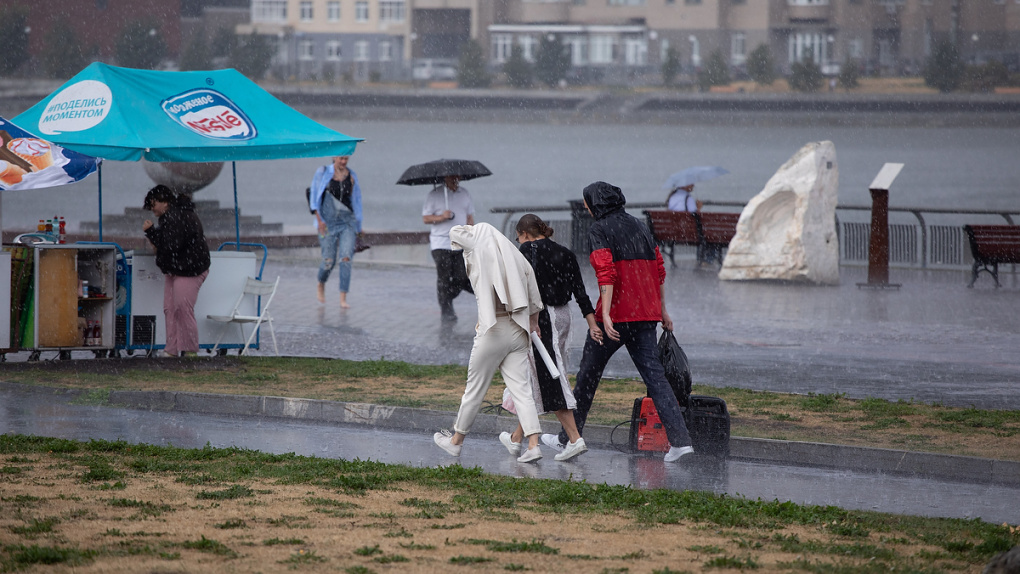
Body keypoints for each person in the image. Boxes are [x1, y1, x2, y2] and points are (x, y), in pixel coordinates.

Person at [544, 181, 694, 463]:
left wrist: (608, 315)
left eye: (587, 202)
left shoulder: (599, 229)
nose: (585, 207)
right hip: (646, 315)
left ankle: (569, 438)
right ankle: (681, 442)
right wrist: (663, 311)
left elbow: (605, 272)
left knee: (588, 377)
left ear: (596, 203)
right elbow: (658, 271)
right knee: (656, 379)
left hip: (615, 318)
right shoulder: (640, 227)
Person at [433, 222, 546, 463]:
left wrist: (472, 227)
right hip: (518, 328)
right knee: (523, 391)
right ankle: (533, 445)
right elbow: (534, 296)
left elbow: (454, 232)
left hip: (493, 330)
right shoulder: (516, 257)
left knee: (475, 389)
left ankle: (456, 442)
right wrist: (533, 322)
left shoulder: (479, 252)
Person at [499, 214, 601, 462]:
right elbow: (580, 291)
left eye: (518, 236)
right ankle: (517, 439)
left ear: (524, 233)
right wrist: (592, 323)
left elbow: (520, 289)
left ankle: (575, 439)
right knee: (536, 375)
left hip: (541, 318)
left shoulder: (526, 250)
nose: (519, 241)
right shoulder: (565, 252)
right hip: (563, 316)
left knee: (550, 377)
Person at [142, 185, 211, 358]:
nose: (152, 208)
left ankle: (189, 350)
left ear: (165, 202)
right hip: (179, 268)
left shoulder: (176, 217)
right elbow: (171, 243)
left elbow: (170, 245)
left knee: (181, 308)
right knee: (171, 308)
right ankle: (172, 349)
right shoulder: (175, 216)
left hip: (190, 270)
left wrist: (151, 232)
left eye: (154, 204)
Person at [309, 155, 363, 309]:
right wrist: (319, 220)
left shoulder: (352, 175)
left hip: (348, 222)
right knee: (328, 261)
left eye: (346, 159)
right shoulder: (323, 172)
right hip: (327, 222)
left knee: (346, 258)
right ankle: (321, 283)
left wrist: (359, 226)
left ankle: (343, 297)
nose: (344, 162)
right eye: (341, 159)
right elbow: (314, 197)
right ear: (334, 157)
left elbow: (357, 201)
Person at [422, 175, 475, 321]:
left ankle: (447, 298)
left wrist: (471, 231)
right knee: (444, 277)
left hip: (460, 243)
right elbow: (426, 218)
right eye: (451, 177)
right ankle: (446, 309)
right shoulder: (434, 195)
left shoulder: (464, 193)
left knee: (462, 277)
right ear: (445, 178)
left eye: (457, 177)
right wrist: (442, 217)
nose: (455, 180)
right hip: (440, 243)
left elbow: (469, 217)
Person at [666, 183, 718, 266]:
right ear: (683, 185)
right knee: (711, 236)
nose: (693, 185)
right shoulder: (688, 198)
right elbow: (695, 217)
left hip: (675, 234)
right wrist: (698, 208)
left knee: (702, 234)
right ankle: (707, 260)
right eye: (690, 183)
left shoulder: (672, 197)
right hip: (689, 234)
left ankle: (702, 259)